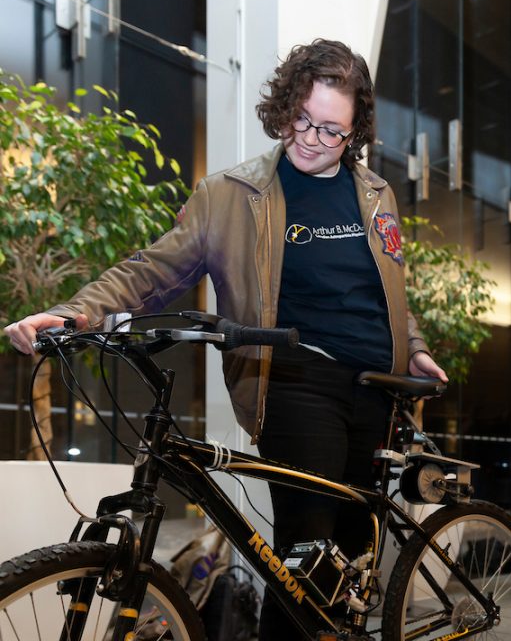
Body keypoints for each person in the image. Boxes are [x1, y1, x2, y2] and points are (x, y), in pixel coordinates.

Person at [3, 39, 448, 641]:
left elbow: (389, 290)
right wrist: (76, 313)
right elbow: (151, 271)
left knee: (350, 564)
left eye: (333, 131)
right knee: (304, 563)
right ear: (286, 106)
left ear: (355, 131)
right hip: (294, 381)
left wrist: (415, 344)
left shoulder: (375, 194)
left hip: (378, 388)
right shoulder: (231, 196)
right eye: (304, 120)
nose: (314, 139)